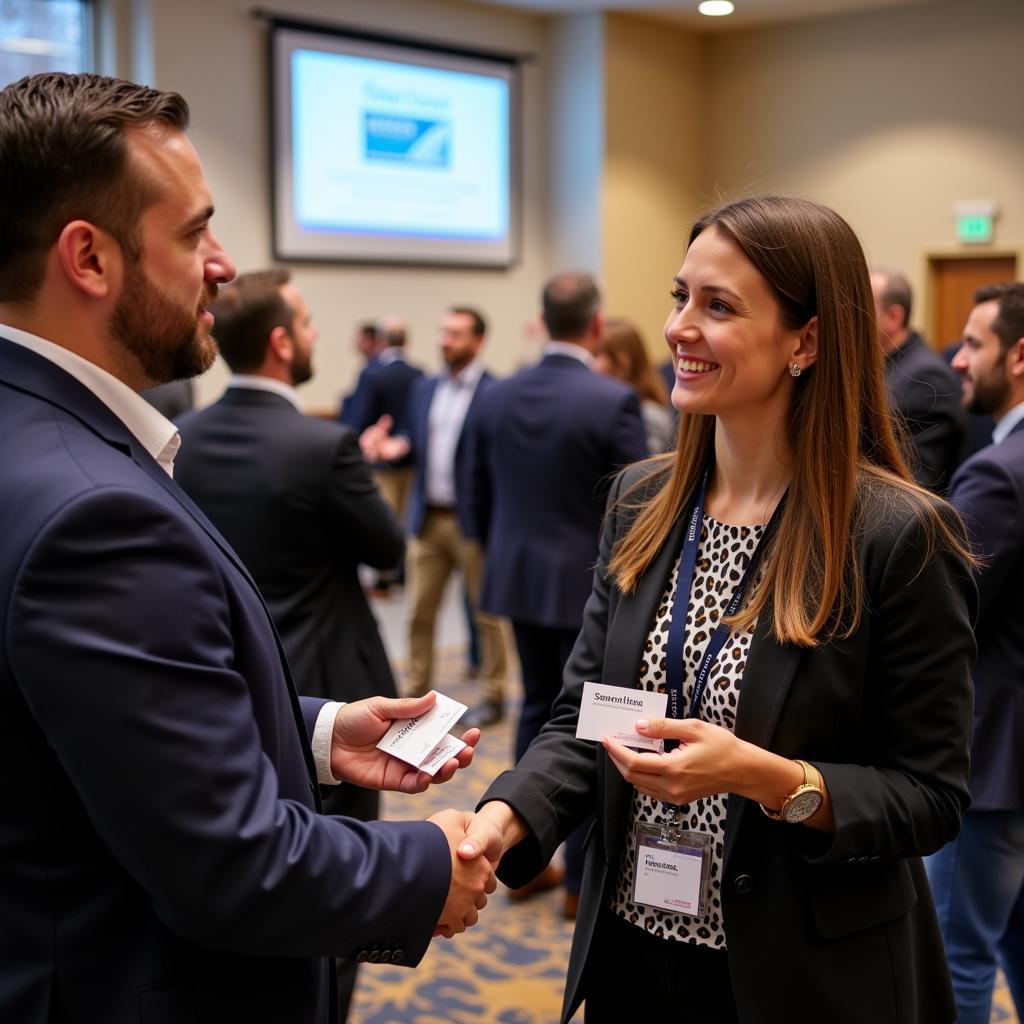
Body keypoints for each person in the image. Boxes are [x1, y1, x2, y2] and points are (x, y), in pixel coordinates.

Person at [0, 72, 494, 1023]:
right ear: (89, 259)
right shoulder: (93, 514)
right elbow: (231, 868)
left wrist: (308, 732)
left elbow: (86, 719)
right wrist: (427, 863)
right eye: (193, 234)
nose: (223, 267)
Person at [458, 196, 976, 1023]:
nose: (677, 328)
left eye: (719, 306)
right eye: (679, 296)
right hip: (634, 957)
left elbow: (930, 796)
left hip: (804, 977)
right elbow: (581, 719)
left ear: (805, 341)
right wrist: (503, 819)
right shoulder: (642, 501)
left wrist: (759, 776)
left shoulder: (897, 535)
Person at [173, 268, 405, 1020]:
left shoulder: (183, 438)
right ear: (280, 343)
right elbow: (387, 548)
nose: (313, 337)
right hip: (335, 693)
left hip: (220, 674)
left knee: (256, 876)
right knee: (339, 890)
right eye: (306, 324)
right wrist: (361, 470)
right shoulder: (325, 444)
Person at [468, 271, 648, 916]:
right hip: (589, 586)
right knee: (596, 720)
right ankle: (577, 882)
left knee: (538, 706)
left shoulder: (496, 394)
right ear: (596, 325)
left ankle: (529, 852)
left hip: (515, 575)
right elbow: (644, 510)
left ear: (543, 322)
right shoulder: (612, 400)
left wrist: (495, 548)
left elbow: (473, 489)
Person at [927, 282, 1024, 1024]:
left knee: (955, 959)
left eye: (974, 344)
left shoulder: (998, 473)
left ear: (1018, 357)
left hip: (990, 760)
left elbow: (945, 614)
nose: (957, 360)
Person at [361, 307, 511, 729]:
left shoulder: (494, 391)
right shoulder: (426, 387)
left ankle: (495, 694)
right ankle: (415, 692)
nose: (446, 341)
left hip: (473, 522)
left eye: (457, 335)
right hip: (427, 519)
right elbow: (413, 434)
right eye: (444, 332)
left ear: (478, 341)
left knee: (488, 614)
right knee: (418, 612)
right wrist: (398, 447)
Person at [870, 267, 966, 491]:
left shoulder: (926, 378)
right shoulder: (883, 364)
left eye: (860, 305)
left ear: (894, 317)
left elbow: (914, 482)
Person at [595, 316, 675, 453]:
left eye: (597, 354)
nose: (592, 362)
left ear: (623, 361)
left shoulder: (648, 415)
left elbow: (647, 470)